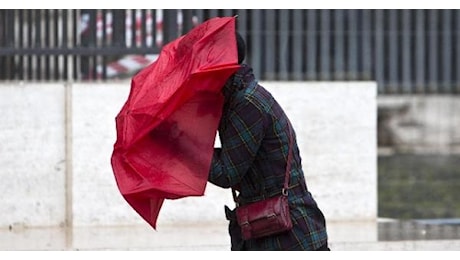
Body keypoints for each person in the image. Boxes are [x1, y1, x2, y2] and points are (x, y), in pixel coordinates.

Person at [207, 32, 330, 251]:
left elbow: (226, 172)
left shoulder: (247, 104)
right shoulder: (235, 98)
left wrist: (180, 148)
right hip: (269, 230)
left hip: (288, 236)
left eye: (205, 60)